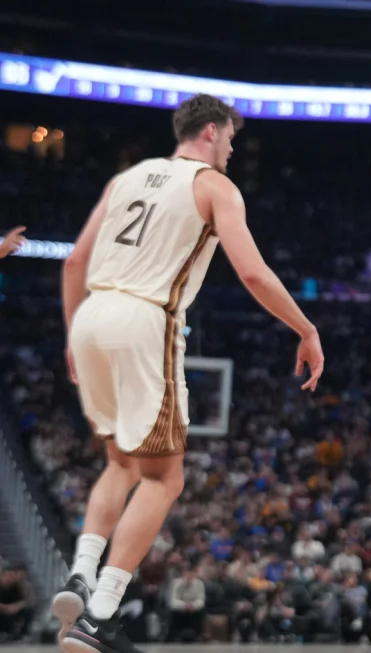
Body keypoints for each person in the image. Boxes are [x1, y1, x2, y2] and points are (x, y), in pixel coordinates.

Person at [54, 93, 325, 653]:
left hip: (91, 315)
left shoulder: (128, 177)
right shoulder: (213, 185)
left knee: (122, 461)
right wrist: (306, 329)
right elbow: (252, 273)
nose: (231, 147)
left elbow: (74, 261)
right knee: (164, 478)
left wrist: (71, 336)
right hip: (143, 320)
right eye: (229, 136)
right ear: (209, 132)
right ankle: (100, 613)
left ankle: (81, 572)